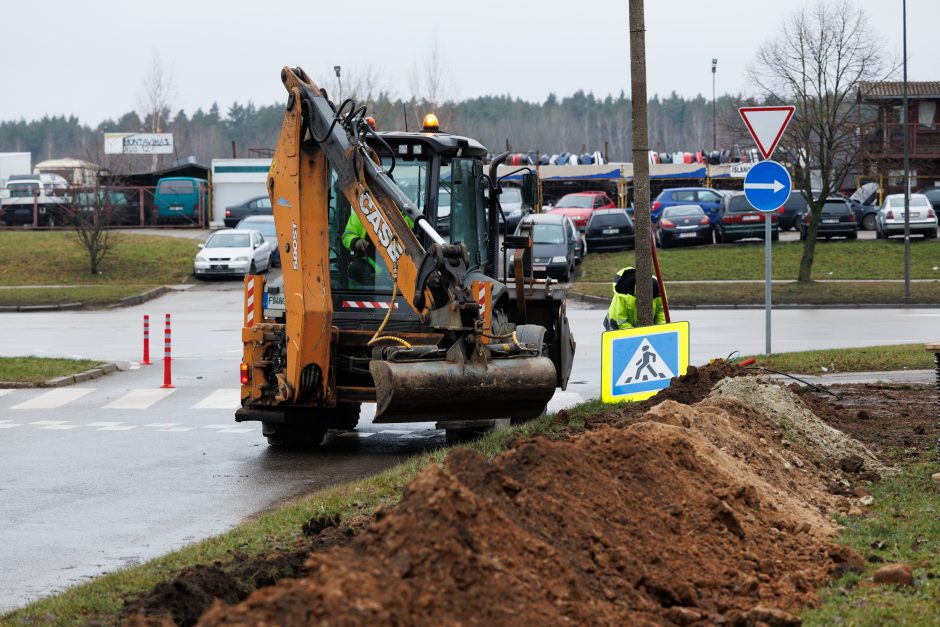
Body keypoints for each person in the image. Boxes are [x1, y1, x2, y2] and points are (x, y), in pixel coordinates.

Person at [602, 266, 666, 330]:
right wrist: (636, 334)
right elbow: (621, 321)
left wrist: (660, 330)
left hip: (637, 324)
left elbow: (661, 314)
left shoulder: (659, 292)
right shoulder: (624, 295)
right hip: (615, 322)